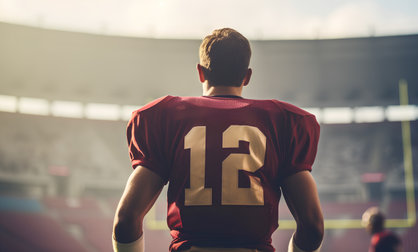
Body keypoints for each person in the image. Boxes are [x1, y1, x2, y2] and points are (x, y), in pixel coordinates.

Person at [112, 28, 324, 252]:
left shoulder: (166, 117)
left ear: (200, 72)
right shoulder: (283, 121)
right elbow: (312, 227)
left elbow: (126, 220)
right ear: (247, 76)